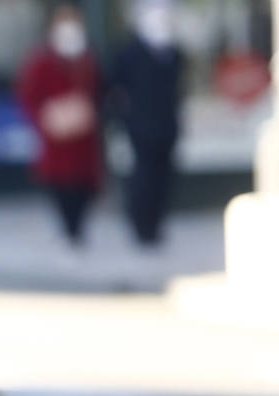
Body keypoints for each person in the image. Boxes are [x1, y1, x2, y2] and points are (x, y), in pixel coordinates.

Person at [17, 4, 105, 248]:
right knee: (62, 189)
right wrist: (48, 117)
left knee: (84, 190)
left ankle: (78, 232)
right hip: (56, 144)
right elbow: (29, 98)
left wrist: (87, 110)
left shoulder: (87, 59)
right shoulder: (41, 61)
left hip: (84, 143)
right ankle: (70, 233)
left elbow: (100, 93)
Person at [109, 0, 185, 247]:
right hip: (140, 128)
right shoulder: (129, 52)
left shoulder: (172, 52)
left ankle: (156, 226)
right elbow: (115, 90)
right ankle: (142, 228)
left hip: (167, 127)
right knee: (143, 179)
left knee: (163, 179)